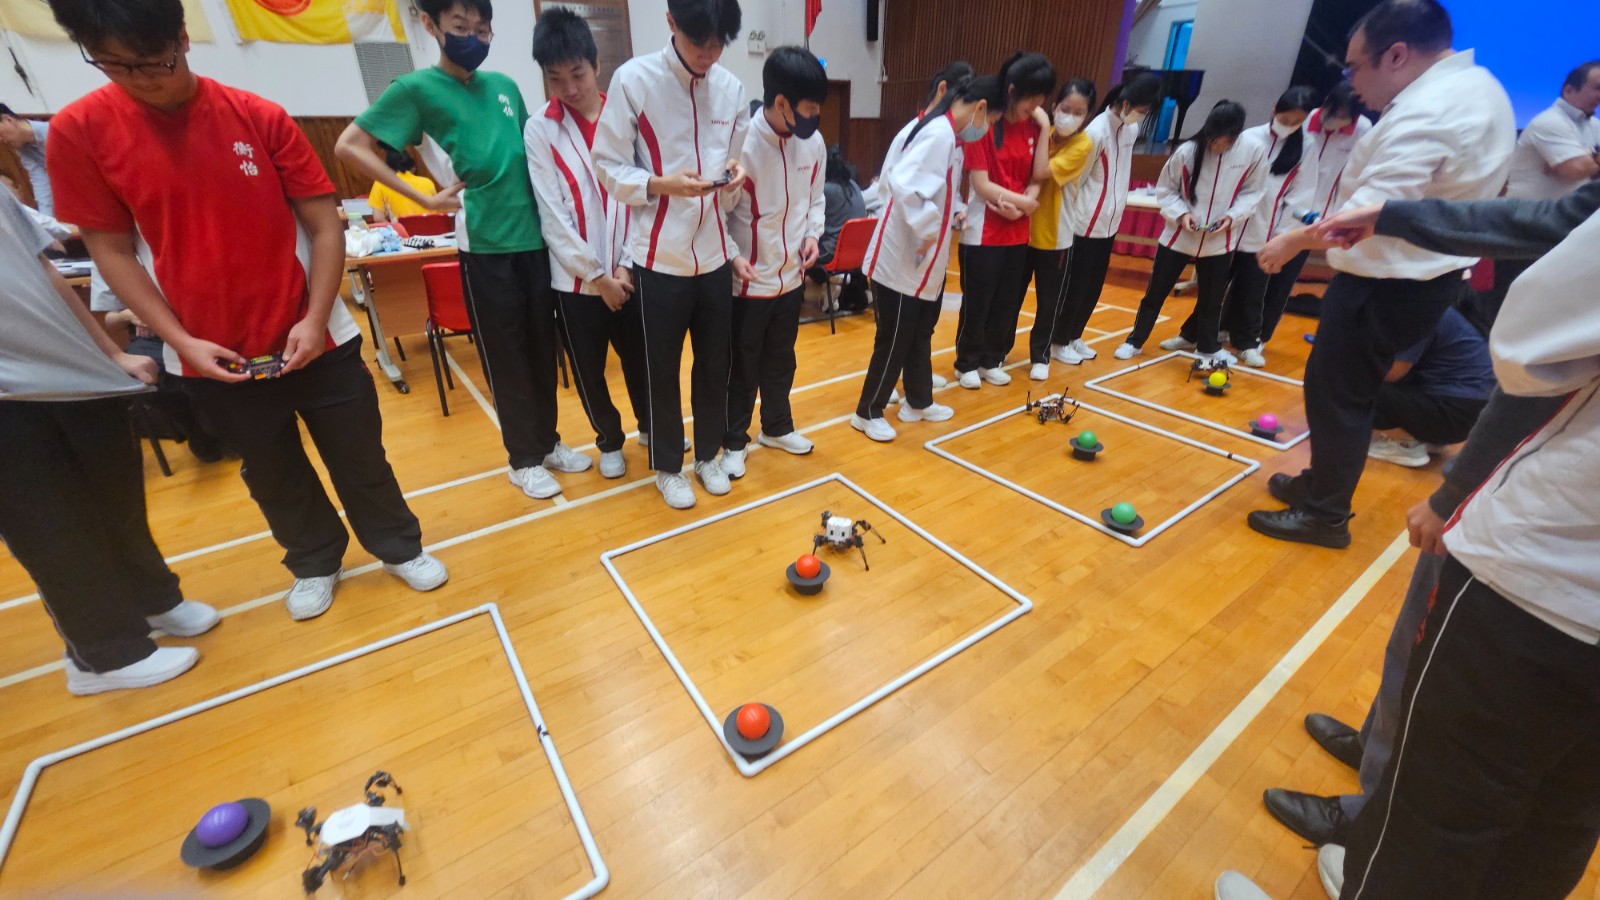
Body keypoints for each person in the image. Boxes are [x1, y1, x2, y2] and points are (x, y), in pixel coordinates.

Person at [48, 0, 447, 621]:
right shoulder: (80, 131)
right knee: (270, 469)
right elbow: (110, 250)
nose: (142, 79)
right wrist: (179, 340)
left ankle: (398, 546)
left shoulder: (256, 116)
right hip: (209, 353)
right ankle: (315, 560)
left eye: (156, 61)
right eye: (116, 65)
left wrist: (314, 320)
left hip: (314, 331)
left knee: (359, 454)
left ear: (182, 37)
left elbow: (323, 223)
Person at [1241, 180, 1600, 869]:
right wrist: (1396, 218)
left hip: (1546, 558)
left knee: (1457, 790)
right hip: (1552, 550)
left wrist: (1453, 494)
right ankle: (1384, 742)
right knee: (1549, 804)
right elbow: (1550, 219)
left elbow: (1537, 355)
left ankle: (1365, 824)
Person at [1248, 0, 1514, 549]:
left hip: (1389, 282)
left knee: (1340, 396)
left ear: (1396, 54)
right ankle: (1319, 485)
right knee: (1334, 388)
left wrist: (1292, 240)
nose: (1350, 81)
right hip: (1414, 277)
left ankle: (1325, 514)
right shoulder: (1478, 87)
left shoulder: (1433, 110)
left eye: (1354, 67)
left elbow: (1369, 213)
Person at [338, 0, 591, 502]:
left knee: (543, 350)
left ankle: (547, 442)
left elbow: (534, 157)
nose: (472, 37)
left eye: (481, 28)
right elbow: (349, 145)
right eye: (459, 27)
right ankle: (522, 459)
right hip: (486, 247)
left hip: (535, 243)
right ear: (431, 26)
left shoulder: (505, 88)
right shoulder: (414, 90)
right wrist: (422, 197)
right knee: (507, 356)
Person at [0, 185, 221, 696]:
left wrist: (109, 355)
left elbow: (46, 276)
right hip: (10, 402)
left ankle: (153, 599)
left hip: (77, 377)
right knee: (50, 526)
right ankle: (102, 654)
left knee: (117, 502)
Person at [593, 0, 749, 510]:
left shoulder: (731, 89)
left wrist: (736, 176)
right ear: (671, 23)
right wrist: (659, 184)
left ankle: (707, 454)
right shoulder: (634, 81)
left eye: (719, 42)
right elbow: (607, 164)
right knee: (660, 366)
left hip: (715, 253)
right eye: (698, 41)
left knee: (714, 361)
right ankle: (667, 466)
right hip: (658, 257)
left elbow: (734, 173)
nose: (709, 53)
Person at [525, 7, 648, 481]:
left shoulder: (626, 117)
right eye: (556, 79)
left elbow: (643, 199)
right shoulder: (541, 129)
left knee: (641, 361)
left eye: (577, 74)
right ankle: (609, 441)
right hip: (577, 283)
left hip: (630, 272)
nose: (570, 88)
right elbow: (552, 215)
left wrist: (625, 268)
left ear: (596, 65)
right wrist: (596, 276)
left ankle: (650, 429)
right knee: (590, 371)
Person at [849, 73, 989, 442]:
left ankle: (918, 399)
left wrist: (946, 217)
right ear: (981, 107)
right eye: (990, 119)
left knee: (917, 333)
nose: (986, 128)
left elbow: (937, 190)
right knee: (894, 337)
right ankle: (867, 411)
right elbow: (901, 184)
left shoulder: (948, 136)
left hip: (924, 258)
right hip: (901, 255)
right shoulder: (935, 133)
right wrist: (930, 227)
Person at [721, 46, 827, 479]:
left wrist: (812, 235)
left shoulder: (813, 143)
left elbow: (815, 199)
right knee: (742, 364)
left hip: (791, 278)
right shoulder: (742, 143)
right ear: (781, 102)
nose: (815, 118)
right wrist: (731, 256)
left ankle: (777, 427)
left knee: (782, 359)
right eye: (809, 108)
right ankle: (733, 440)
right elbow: (719, 211)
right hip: (748, 282)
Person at [1115, 100, 1265, 364]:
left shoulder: (1253, 152)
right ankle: (1134, 341)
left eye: (1224, 141)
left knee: (1212, 299)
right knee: (1155, 294)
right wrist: (1182, 214)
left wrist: (1231, 217)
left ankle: (1207, 347)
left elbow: (1253, 192)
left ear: (1236, 135)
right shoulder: (1187, 151)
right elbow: (1166, 190)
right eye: (1214, 139)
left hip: (1220, 241)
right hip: (1177, 238)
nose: (1217, 146)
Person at [953, 54, 1054, 390]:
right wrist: (1021, 202)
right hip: (984, 232)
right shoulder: (986, 122)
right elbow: (981, 185)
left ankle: (991, 359)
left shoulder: (1034, 125)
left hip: (1017, 232)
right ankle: (966, 361)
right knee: (978, 301)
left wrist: (1045, 129)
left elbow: (1039, 174)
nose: (1037, 105)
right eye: (1032, 99)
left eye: (1042, 100)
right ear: (1012, 91)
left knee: (1008, 301)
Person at [1049, 73, 1163, 364]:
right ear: (1126, 103)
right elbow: (1077, 181)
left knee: (1093, 287)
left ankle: (1075, 335)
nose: (1143, 115)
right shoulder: (1096, 132)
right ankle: (1058, 340)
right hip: (1084, 225)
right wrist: (1079, 217)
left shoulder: (1129, 131)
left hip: (1109, 225)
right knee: (1074, 287)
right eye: (1143, 108)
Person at [1200, 87, 1317, 368]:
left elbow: (1301, 193)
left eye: (1296, 122)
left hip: (1266, 230)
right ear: (1274, 109)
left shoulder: (1307, 146)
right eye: (1285, 119)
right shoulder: (1250, 137)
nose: (1289, 127)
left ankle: (1247, 341)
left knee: (1254, 290)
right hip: (1231, 225)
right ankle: (1201, 334)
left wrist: (1282, 233)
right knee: (1215, 286)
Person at [1251, 82, 1371, 351]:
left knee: (1283, 278)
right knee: (1256, 272)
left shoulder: (1363, 130)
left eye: (1344, 118)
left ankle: (1261, 335)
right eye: (1333, 114)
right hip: (1281, 207)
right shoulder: (1304, 121)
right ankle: (1238, 327)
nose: (1337, 123)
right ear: (1325, 105)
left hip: (1319, 218)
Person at [1026, 77, 1097, 382]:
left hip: (1055, 236)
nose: (1070, 115)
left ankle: (1040, 355)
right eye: (1065, 108)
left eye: (1078, 111)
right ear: (1054, 107)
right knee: (1010, 298)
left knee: (1048, 301)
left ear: (1087, 116)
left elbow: (1040, 172)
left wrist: (1042, 128)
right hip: (1021, 232)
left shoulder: (1082, 144)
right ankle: (997, 352)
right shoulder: (1044, 134)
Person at [1364, 305, 1493, 467]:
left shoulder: (1420, 312)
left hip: (1451, 410)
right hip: (1473, 415)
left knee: (1351, 383)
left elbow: (1392, 372)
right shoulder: (1446, 310)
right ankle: (1423, 437)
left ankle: (1402, 442)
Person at [807, 145, 869, 312]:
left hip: (833, 255)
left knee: (798, 244)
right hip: (858, 256)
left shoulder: (826, 191)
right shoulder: (854, 186)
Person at [0, 101, 53, 217]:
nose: (1, 140)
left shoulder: (53, 131)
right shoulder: (23, 149)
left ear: (8, 120)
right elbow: (40, 181)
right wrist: (47, 218)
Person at [366, 143, 439, 223]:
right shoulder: (427, 182)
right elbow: (438, 209)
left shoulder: (382, 183)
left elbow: (378, 218)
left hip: (404, 233)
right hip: (432, 231)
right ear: (411, 166)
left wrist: (395, 231)